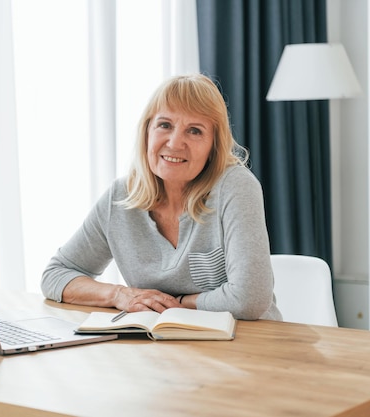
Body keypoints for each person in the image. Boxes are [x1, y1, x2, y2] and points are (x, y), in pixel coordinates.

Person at [41, 73, 282, 321]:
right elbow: (56, 275)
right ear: (147, 132)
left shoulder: (235, 186)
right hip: (162, 348)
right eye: (165, 125)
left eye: (195, 131)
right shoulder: (121, 197)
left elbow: (249, 300)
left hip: (247, 345)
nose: (175, 143)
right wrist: (120, 295)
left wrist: (177, 303)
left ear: (214, 146)